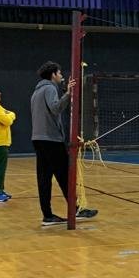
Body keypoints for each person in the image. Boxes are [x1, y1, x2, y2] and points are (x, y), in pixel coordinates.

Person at [30, 61, 97, 227]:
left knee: (44, 178)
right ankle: (76, 210)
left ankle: (47, 215)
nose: (61, 76)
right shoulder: (50, 88)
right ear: (53, 74)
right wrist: (68, 93)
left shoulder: (36, 91)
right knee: (66, 176)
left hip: (38, 139)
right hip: (51, 140)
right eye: (60, 73)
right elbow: (55, 108)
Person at [0, 86, 15, 202]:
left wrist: (9, 114)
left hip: (1, 144)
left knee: (0, 169)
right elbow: (8, 119)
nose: (0, 93)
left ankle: (0, 190)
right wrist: (12, 114)